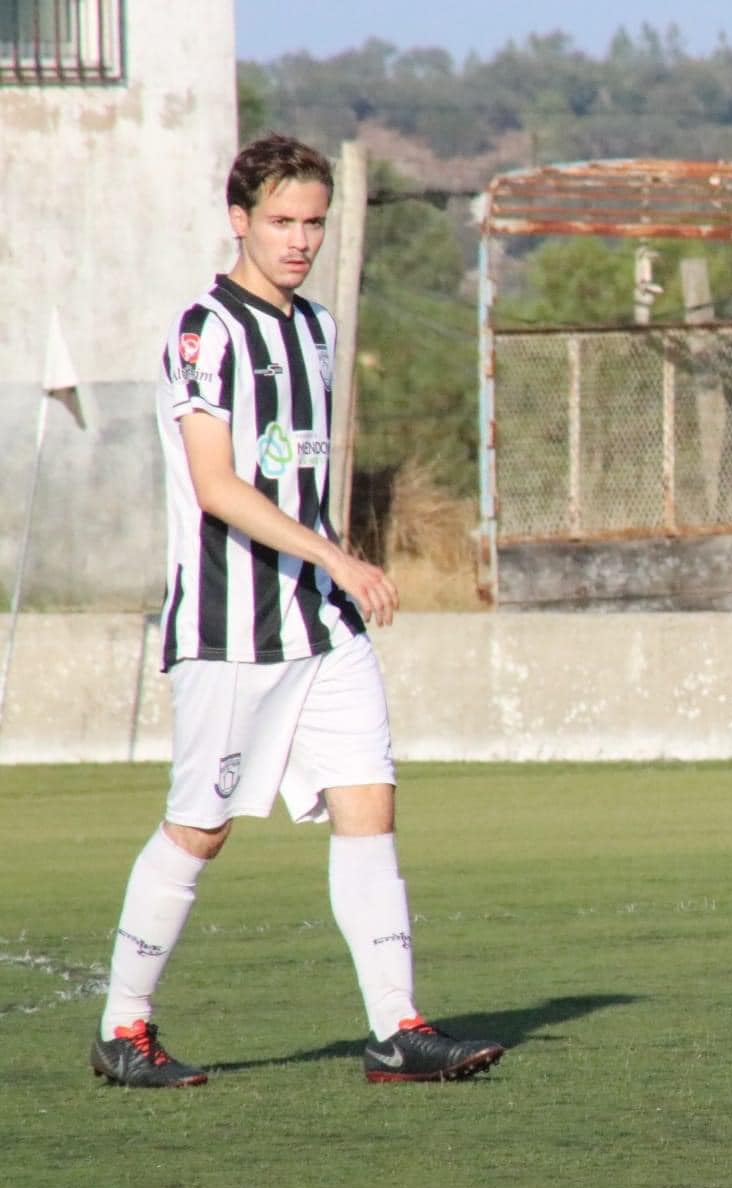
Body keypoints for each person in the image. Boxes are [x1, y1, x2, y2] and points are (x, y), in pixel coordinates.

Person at [91, 134, 503, 1088]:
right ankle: (123, 1029)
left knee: (370, 806)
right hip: (233, 629)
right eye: (281, 221)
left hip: (324, 625)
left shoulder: (314, 328)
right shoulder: (206, 331)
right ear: (239, 219)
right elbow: (217, 484)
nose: (299, 240)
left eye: (315, 222)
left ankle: (398, 1029)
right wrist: (339, 555)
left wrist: (331, 569)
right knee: (201, 826)